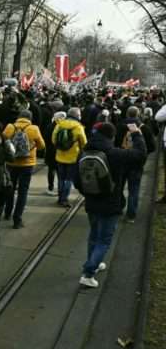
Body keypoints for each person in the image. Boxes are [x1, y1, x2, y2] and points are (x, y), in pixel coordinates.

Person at [74, 122, 146, 288]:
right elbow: (140, 155)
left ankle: (94, 261)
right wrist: (136, 134)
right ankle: (88, 272)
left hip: (92, 202)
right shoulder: (115, 154)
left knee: (93, 235)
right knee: (104, 240)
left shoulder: (84, 152)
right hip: (111, 203)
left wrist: (90, 194)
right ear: (112, 136)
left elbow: (77, 180)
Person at [2, 110, 45, 229]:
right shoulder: (34, 128)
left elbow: (2, 142)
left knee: (10, 188)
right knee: (23, 191)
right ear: (30, 118)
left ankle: (7, 212)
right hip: (27, 163)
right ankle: (17, 219)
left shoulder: (10, 127)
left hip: (11, 163)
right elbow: (42, 145)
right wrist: (32, 147)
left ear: (18, 117)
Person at [114, 106, 156, 223]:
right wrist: (143, 154)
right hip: (137, 163)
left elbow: (115, 143)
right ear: (138, 114)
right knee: (134, 189)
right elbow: (152, 147)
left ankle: (118, 208)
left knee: (119, 186)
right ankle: (131, 215)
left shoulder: (120, 126)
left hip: (122, 160)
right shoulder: (144, 128)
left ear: (127, 114)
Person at [52, 107, 87, 207]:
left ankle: (60, 197)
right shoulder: (78, 127)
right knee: (69, 179)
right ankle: (64, 199)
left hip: (59, 156)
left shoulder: (59, 125)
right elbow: (84, 143)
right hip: (73, 158)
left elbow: (54, 140)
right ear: (77, 116)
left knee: (61, 178)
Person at [43, 111, 66, 196]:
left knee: (51, 169)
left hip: (51, 151)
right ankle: (61, 189)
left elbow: (45, 138)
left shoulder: (50, 126)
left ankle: (50, 187)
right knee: (60, 171)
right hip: (61, 151)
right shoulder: (65, 127)